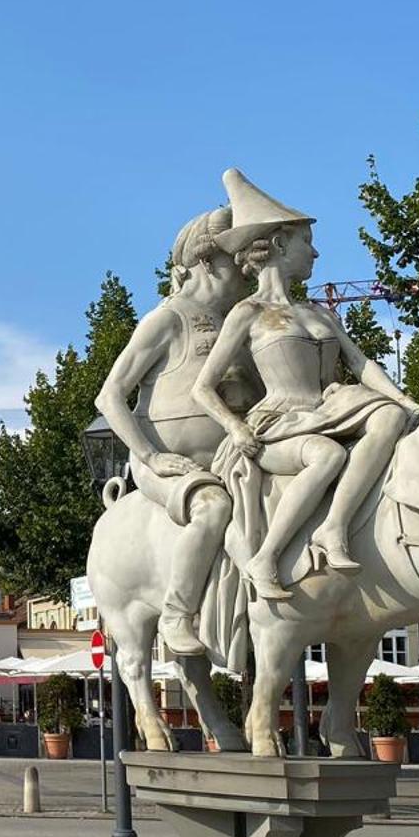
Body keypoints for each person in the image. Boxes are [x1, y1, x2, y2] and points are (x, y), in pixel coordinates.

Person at [193, 169, 419, 600]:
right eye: (306, 242)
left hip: (327, 410)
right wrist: (235, 427)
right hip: (277, 425)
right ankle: (266, 558)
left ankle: (335, 527)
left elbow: (361, 364)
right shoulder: (247, 313)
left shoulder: (321, 314)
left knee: (390, 416)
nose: (316, 253)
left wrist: (405, 400)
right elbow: (202, 387)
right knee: (326, 455)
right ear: (280, 244)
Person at [92, 205, 250, 654]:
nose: (245, 269)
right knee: (213, 508)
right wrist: (149, 455)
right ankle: (179, 612)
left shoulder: (239, 318)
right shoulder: (169, 318)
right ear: (205, 262)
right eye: (234, 259)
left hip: (232, 458)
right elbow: (109, 396)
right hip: (170, 465)